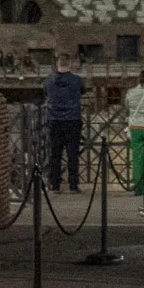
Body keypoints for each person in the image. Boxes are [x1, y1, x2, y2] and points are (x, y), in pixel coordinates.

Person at [43, 53, 87, 193]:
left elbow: (45, 93)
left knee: (55, 154)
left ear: (57, 64)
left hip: (54, 120)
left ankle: (55, 185)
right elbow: (83, 92)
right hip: (72, 119)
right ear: (70, 64)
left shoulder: (49, 81)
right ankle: (73, 186)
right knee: (72, 154)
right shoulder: (77, 80)